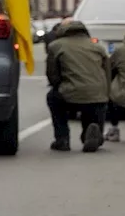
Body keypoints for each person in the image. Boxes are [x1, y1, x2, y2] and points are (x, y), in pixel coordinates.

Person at [45, 19, 111, 152]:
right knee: (94, 107)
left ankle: (62, 138)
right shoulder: (97, 47)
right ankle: (92, 131)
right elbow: (107, 74)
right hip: (98, 94)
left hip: (70, 93)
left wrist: (59, 86)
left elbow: (52, 74)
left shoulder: (56, 46)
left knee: (53, 98)